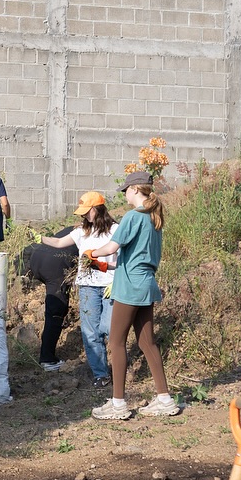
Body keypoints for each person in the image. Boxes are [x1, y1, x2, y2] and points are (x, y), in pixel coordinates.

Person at [84, 171, 178, 420]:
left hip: (129, 288)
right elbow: (138, 259)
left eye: (126, 190)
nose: (124, 194)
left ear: (136, 189)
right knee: (147, 342)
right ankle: (165, 399)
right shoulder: (154, 219)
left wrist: (92, 253)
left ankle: (117, 404)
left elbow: (112, 247)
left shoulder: (132, 217)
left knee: (115, 342)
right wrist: (107, 266)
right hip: (146, 284)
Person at [39, 192, 120, 385]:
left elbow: (121, 259)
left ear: (96, 209)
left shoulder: (116, 230)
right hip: (87, 286)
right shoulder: (83, 232)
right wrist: (40, 237)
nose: (84, 216)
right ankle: (101, 375)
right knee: (91, 332)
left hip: (109, 285)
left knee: (109, 328)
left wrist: (114, 279)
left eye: (86, 212)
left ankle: (120, 371)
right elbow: (59, 243)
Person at [27, 227, 77, 374]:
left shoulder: (79, 226)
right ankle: (48, 359)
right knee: (56, 310)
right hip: (54, 263)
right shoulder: (103, 231)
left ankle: (47, 354)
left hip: (38, 256)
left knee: (54, 305)